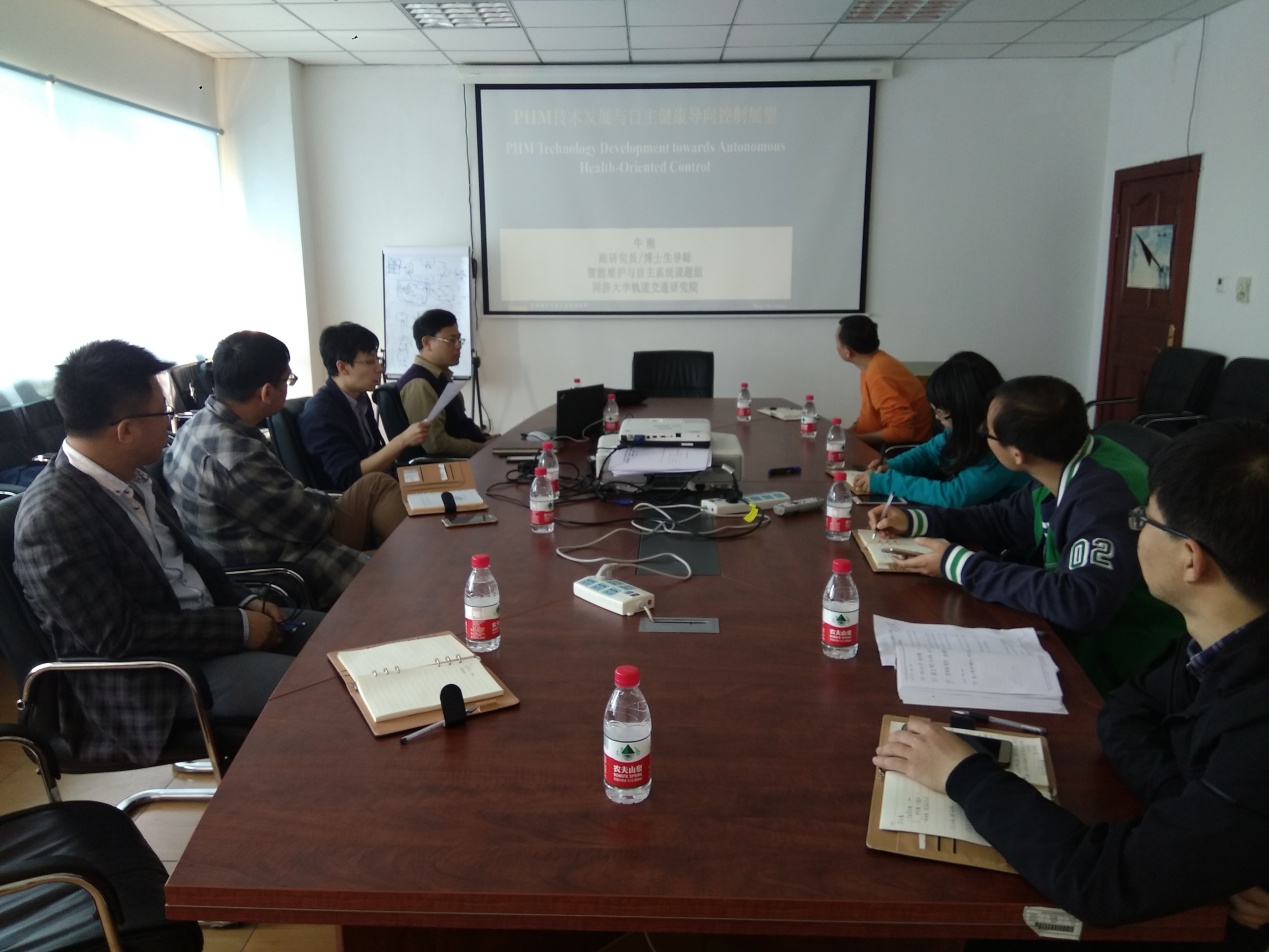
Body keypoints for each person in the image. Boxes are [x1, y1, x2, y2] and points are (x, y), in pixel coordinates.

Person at [874, 420, 1269, 949]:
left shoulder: (1255, 729)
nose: (1134, 530)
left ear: (1191, 559)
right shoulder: (1217, 639)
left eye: (1144, 521)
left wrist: (963, 774)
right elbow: (1125, 712)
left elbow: (1101, 883)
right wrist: (1211, 838)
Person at [14, 340, 317, 767]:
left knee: (343, 637)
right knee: (319, 691)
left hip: (204, 632)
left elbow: (193, 564)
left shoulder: (133, 476)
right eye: (163, 413)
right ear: (126, 430)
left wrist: (247, 601)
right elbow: (120, 636)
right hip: (156, 678)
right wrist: (238, 628)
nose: (171, 422)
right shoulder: (53, 518)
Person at [869, 374, 1185, 694]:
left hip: (1122, 663)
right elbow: (1004, 519)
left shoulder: (1103, 499)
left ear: (1017, 453)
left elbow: (1081, 603)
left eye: (988, 433)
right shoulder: (1069, 458)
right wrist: (917, 520)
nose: (984, 439)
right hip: (1074, 635)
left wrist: (960, 565)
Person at [165, 331, 406, 610]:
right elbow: (308, 523)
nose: (377, 368)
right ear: (267, 392)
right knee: (402, 567)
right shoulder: (237, 457)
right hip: (281, 566)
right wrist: (325, 501)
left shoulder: (196, 426)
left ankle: (414, 554)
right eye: (287, 380)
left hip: (268, 538)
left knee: (376, 486)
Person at [851, 351, 1031, 506]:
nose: (937, 418)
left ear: (966, 412)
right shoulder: (962, 430)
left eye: (943, 413)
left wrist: (889, 482)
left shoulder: (1002, 446)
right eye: (935, 410)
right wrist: (891, 466)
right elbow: (929, 452)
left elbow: (953, 495)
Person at [298, 321, 430, 492]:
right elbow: (349, 477)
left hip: (383, 483)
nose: (379, 368)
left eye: (378, 360)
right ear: (343, 367)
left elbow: (373, 451)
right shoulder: (320, 413)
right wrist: (402, 440)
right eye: (369, 362)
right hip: (358, 497)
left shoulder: (360, 398)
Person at [398, 309, 492, 458]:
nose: (458, 346)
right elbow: (435, 444)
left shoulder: (440, 377)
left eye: (459, 340)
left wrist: (487, 439)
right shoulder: (420, 384)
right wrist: (483, 449)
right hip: (454, 464)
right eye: (451, 340)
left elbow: (458, 426)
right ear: (427, 342)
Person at [836, 312, 933, 449]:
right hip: (882, 446)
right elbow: (873, 414)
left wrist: (856, 439)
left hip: (899, 451)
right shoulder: (874, 364)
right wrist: (852, 431)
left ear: (848, 351)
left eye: (837, 341)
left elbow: (902, 432)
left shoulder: (879, 374)